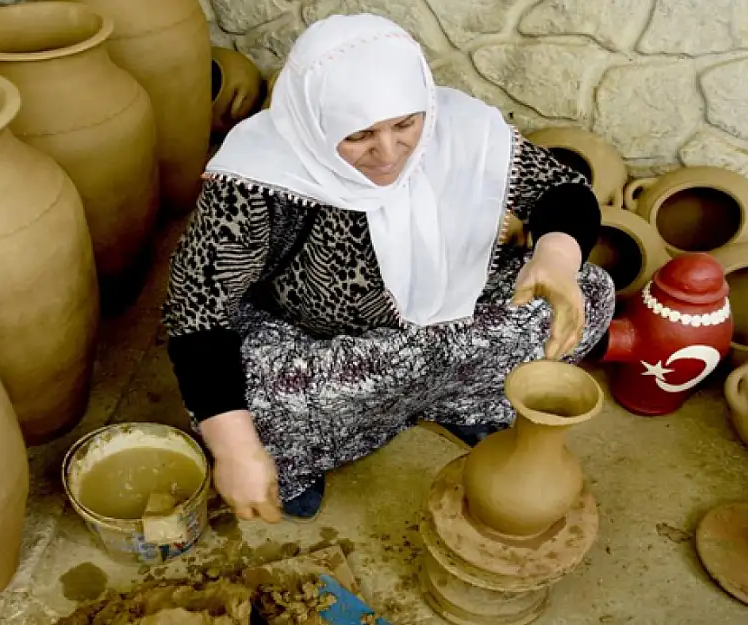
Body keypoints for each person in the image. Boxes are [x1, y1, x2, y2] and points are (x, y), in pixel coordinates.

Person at [162, 13, 614, 523]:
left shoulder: (461, 130)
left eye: (405, 124)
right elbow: (196, 309)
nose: (389, 152)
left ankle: (463, 403)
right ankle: (294, 460)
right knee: (251, 399)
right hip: (319, 342)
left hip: (442, 319)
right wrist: (235, 448)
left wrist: (555, 254)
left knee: (588, 292)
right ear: (314, 121)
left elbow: (562, 189)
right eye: (358, 135)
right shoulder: (260, 177)